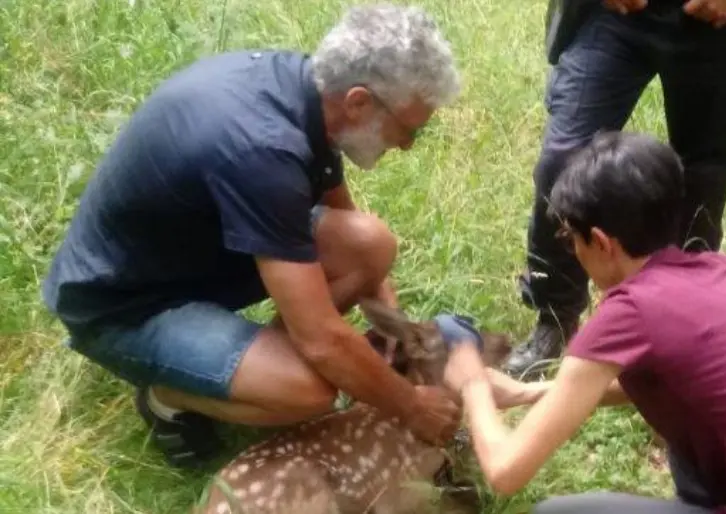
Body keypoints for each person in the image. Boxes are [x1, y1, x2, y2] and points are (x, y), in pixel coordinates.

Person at [40, 4, 464, 468]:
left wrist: (392, 318)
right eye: (409, 130)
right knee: (308, 390)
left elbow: (350, 234)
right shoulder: (262, 150)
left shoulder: (310, 93)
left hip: (192, 251)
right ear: (359, 101)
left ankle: (257, 365)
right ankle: (168, 396)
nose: (406, 145)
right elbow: (323, 339)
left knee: (370, 244)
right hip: (123, 306)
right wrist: (411, 405)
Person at [433, 132, 726, 513]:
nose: (572, 250)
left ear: (601, 241)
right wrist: (528, 393)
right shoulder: (720, 272)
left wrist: (473, 384)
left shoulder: (628, 313)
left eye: (569, 237)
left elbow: (507, 472)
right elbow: (678, 383)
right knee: (685, 426)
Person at [506, 0, 726, 376]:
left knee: (702, 176)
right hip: (616, 15)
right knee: (562, 158)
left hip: (717, 25)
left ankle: (685, 330)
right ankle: (555, 316)